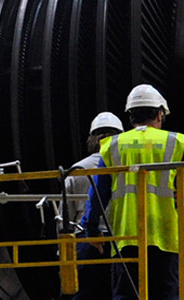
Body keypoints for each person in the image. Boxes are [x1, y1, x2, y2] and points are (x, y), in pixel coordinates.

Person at [82, 84, 184, 300]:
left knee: (126, 294)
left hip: (126, 236)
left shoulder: (112, 146)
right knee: (165, 293)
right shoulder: (173, 141)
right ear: (159, 114)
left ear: (130, 117)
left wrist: (92, 230)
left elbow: (98, 192)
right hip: (164, 234)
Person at [68, 112, 123, 300]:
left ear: (92, 138)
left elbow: (66, 215)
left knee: (84, 293)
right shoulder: (126, 168)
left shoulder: (76, 170)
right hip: (121, 238)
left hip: (85, 241)